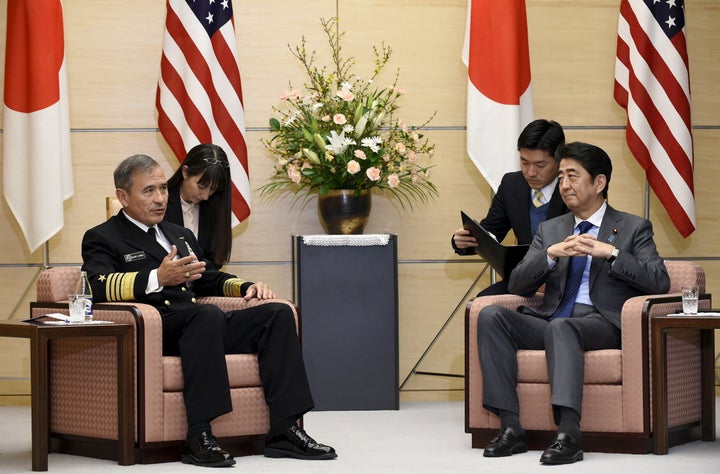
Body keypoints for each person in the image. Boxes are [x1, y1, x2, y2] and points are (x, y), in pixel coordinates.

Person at [81, 154, 336, 468]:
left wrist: (245, 287)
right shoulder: (103, 236)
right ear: (123, 196)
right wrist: (157, 278)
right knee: (206, 316)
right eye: (149, 191)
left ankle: (285, 429)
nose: (160, 198)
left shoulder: (178, 234)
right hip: (157, 330)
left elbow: (207, 277)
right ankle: (199, 434)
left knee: (277, 313)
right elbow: (98, 285)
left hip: (201, 327)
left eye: (162, 188)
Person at [476, 142, 669, 465]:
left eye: (572, 176)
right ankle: (511, 429)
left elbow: (658, 280)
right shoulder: (551, 229)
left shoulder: (633, 227)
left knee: (562, 327)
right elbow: (519, 283)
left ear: (599, 182)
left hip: (602, 322)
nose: (564, 185)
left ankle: (568, 434)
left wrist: (611, 253)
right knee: (492, 315)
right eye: (562, 177)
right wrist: (551, 255)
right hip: (552, 318)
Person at [452, 119, 569, 295]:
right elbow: (491, 231)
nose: (530, 172)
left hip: (565, 281)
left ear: (559, 160)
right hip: (525, 280)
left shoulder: (573, 188)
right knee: (481, 304)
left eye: (540, 165)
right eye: (524, 162)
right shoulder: (512, 184)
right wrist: (463, 241)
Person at [165, 143, 232, 268]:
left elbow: (215, 261)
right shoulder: (160, 203)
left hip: (203, 283)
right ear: (185, 172)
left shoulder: (214, 204)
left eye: (213, 189)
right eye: (202, 186)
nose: (206, 196)